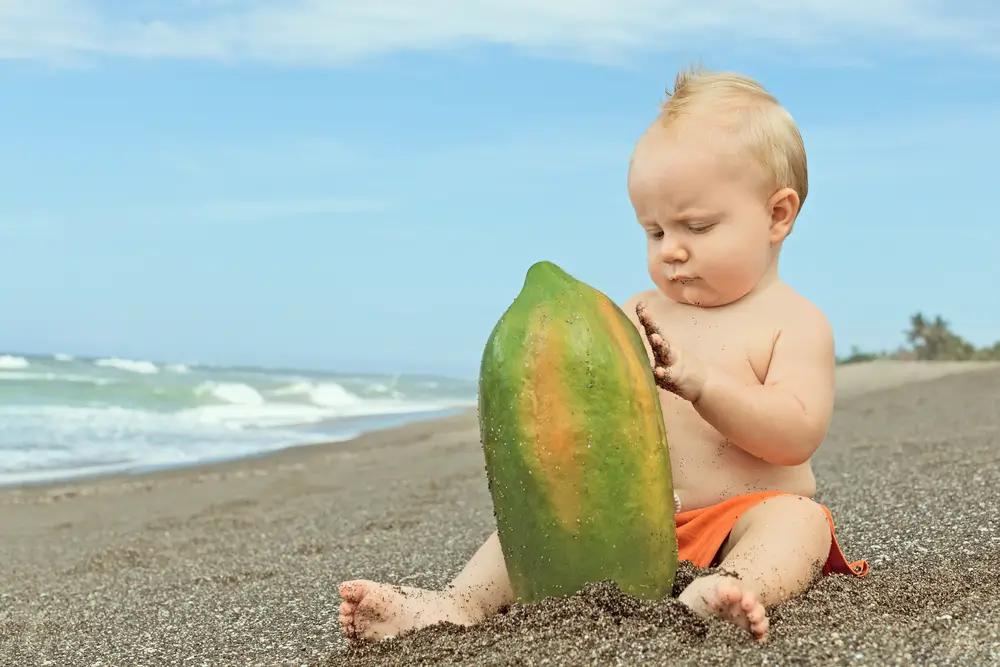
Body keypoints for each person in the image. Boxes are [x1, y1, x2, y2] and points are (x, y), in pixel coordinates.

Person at [339, 67, 867, 643]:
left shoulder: (794, 323)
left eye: (697, 226)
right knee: (529, 531)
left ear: (777, 215)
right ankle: (457, 603)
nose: (673, 251)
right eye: (655, 232)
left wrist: (703, 384)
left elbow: (794, 435)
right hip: (637, 520)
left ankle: (734, 588)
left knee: (799, 522)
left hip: (739, 518)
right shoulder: (635, 315)